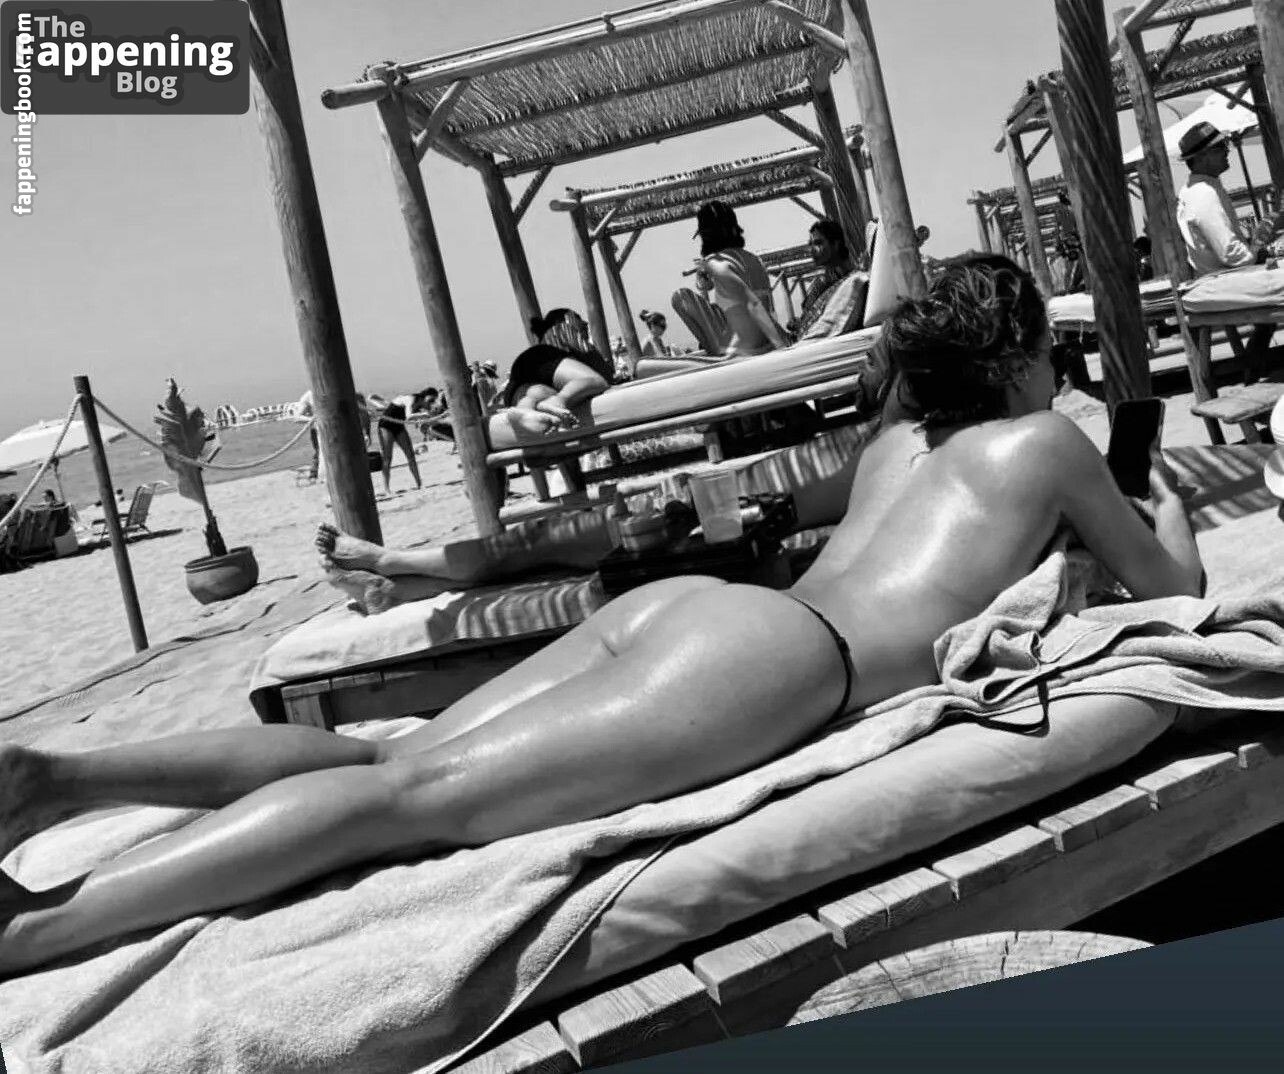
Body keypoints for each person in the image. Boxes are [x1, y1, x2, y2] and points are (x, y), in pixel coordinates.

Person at [0, 254, 1205, 977]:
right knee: (413, 801)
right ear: (1020, 353)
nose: (1057, 373)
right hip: (782, 663)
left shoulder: (894, 441)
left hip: (707, 615)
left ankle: (56, 779)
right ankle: (38, 936)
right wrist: (1165, 504)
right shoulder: (1047, 442)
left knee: (390, 757)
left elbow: (812, 516)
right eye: (1050, 352)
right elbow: (1174, 594)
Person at [1175, 119, 1283, 380]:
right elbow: (1232, 255)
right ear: (1201, 157)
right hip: (1226, 275)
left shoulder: (1198, 188)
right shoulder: (1204, 194)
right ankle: (1254, 362)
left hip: (1222, 272)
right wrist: (1258, 245)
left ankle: (1254, 361)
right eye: (1220, 147)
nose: (1227, 151)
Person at [690, 201, 787, 357]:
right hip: (766, 341)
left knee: (680, 297)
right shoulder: (754, 259)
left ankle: (717, 354)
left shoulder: (716, 263)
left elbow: (753, 304)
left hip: (744, 348)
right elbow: (761, 304)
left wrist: (782, 347)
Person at [503, 309, 615, 428]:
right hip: (544, 359)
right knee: (596, 380)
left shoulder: (546, 339)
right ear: (560, 321)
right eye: (577, 318)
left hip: (516, 385)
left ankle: (525, 407)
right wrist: (606, 371)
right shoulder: (561, 328)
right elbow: (598, 366)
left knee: (539, 392)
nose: (585, 323)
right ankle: (558, 401)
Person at [789, 220, 860, 341]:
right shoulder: (822, 283)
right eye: (810, 245)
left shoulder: (855, 280)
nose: (812, 250)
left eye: (818, 243)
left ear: (836, 244)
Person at [367, 391, 424, 497]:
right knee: (387, 458)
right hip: (386, 426)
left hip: (398, 427)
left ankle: (419, 483)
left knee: (410, 455)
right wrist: (424, 415)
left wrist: (421, 418)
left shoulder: (413, 405)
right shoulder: (409, 399)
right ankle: (386, 489)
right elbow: (409, 416)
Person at [296, 389, 319, 481]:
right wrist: (314, 419)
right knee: (319, 452)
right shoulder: (309, 396)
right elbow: (297, 417)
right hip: (317, 430)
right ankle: (314, 474)